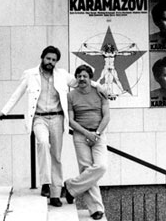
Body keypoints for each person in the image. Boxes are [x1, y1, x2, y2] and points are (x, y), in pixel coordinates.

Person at [0, 46, 75, 207]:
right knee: (43, 143)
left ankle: (56, 191)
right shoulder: (30, 74)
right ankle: (45, 183)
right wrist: (4, 111)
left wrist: (99, 87)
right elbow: (17, 93)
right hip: (39, 118)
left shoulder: (62, 75)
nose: (50, 62)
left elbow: (81, 81)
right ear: (42, 58)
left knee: (57, 156)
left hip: (58, 118)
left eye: (53, 60)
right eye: (48, 58)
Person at [63, 65, 110, 220]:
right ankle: (95, 208)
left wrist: (96, 133)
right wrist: (86, 133)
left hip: (98, 135)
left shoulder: (100, 92)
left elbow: (106, 116)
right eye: (79, 76)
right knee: (86, 169)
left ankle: (71, 187)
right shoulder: (71, 96)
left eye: (85, 76)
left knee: (101, 166)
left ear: (91, 78)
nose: (82, 79)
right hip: (81, 135)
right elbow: (70, 120)